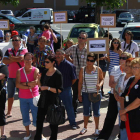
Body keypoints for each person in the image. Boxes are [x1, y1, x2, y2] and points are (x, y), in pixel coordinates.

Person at [96, 52, 132, 140]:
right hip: (114, 96)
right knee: (110, 117)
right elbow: (110, 84)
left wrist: (118, 84)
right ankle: (104, 137)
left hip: (126, 98)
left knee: (125, 118)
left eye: (124, 58)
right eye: (120, 57)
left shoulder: (132, 71)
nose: (121, 59)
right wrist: (120, 83)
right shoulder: (115, 68)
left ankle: (122, 136)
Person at [34, 54, 63, 140]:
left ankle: (53, 138)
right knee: (39, 121)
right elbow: (41, 86)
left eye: (47, 62)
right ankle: (37, 137)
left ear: (53, 62)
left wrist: (48, 88)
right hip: (42, 101)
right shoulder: (44, 71)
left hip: (52, 102)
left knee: (53, 123)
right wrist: (38, 79)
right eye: (44, 62)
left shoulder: (58, 74)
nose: (45, 63)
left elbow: (60, 90)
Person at [78, 52, 103, 136]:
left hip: (96, 93)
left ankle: (96, 128)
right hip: (85, 93)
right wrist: (79, 94)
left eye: (91, 61)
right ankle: (85, 127)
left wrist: (100, 84)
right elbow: (80, 82)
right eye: (88, 60)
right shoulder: (83, 69)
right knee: (86, 111)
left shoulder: (98, 69)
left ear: (94, 61)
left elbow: (102, 79)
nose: (89, 62)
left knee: (96, 111)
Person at [3, 35, 28, 117]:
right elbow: (4, 61)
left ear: (20, 41)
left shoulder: (24, 50)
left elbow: (21, 59)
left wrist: (11, 58)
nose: (14, 41)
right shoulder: (9, 50)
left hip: (21, 76)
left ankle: (24, 111)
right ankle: (9, 111)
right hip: (10, 76)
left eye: (16, 40)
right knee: (10, 95)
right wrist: (15, 58)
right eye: (13, 40)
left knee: (22, 96)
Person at [16, 53, 39, 140]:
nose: (28, 61)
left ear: (32, 60)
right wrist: (27, 84)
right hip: (23, 97)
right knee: (25, 115)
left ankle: (39, 133)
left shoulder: (35, 70)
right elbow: (17, 85)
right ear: (23, 60)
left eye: (30, 59)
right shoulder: (19, 71)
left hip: (34, 97)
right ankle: (28, 133)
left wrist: (24, 84)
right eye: (26, 59)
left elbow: (35, 83)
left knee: (36, 116)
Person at [65, 32, 88, 117]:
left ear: (86, 40)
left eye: (83, 38)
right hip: (75, 75)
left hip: (86, 76)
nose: (81, 39)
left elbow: (93, 60)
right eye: (79, 37)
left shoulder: (88, 49)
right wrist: (71, 62)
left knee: (86, 95)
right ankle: (73, 112)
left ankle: (88, 112)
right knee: (75, 95)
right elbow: (66, 54)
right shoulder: (73, 47)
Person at [55, 49, 77, 129]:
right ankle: (55, 121)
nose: (57, 55)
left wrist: (69, 85)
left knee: (69, 106)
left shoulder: (70, 65)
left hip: (65, 89)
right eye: (56, 54)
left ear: (64, 55)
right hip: (55, 89)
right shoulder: (53, 64)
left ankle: (73, 123)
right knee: (55, 106)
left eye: (59, 54)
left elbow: (74, 79)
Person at [119, 57, 140, 140]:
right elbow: (122, 97)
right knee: (130, 137)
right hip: (128, 115)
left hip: (137, 117)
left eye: (136, 67)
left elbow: (138, 101)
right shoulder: (131, 79)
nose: (133, 69)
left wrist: (124, 110)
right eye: (132, 67)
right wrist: (123, 111)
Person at [114, 57, 134, 140]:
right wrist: (115, 95)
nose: (126, 67)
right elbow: (115, 89)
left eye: (129, 66)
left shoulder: (135, 79)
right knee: (122, 127)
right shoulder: (122, 76)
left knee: (130, 129)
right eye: (126, 65)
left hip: (130, 108)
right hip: (120, 106)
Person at [0, 50, 9, 140]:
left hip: (1, 93)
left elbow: (2, 75)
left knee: (0, 112)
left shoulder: (3, 66)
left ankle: (3, 133)